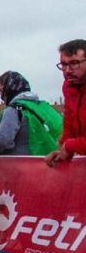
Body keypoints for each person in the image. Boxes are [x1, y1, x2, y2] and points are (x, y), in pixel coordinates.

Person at [0, 71, 61, 156]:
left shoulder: (14, 109)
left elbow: (3, 140)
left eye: (1, 91)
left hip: (22, 166)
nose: (1, 97)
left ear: (8, 88)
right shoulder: (44, 107)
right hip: (49, 163)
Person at [46, 38, 86, 167]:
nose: (68, 70)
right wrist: (62, 149)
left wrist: (70, 146)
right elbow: (69, 121)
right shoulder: (69, 87)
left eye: (74, 63)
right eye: (63, 64)